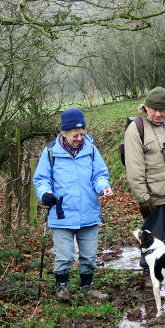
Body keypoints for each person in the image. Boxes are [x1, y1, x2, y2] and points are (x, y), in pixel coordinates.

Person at [33, 108, 113, 301]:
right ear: (63, 133)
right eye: (74, 135)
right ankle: (62, 287)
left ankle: (87, 286)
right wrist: (45, 194)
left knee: (88, 255)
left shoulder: (91, 150)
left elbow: (99, 175)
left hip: (88, 211)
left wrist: (104, 188)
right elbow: (41, 179)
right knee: (65, 255)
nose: (79, 138)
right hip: (61, 212)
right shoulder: (51, 152)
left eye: (82, 133)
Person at [124, 87, 165, 259]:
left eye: (163, 110)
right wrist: (142, 198)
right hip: (156, 197)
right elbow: (134, 168)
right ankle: (150, 282)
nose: (159, 114)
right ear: (146, 107)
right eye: (155, 110)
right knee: (153, 247)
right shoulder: (136, 129)